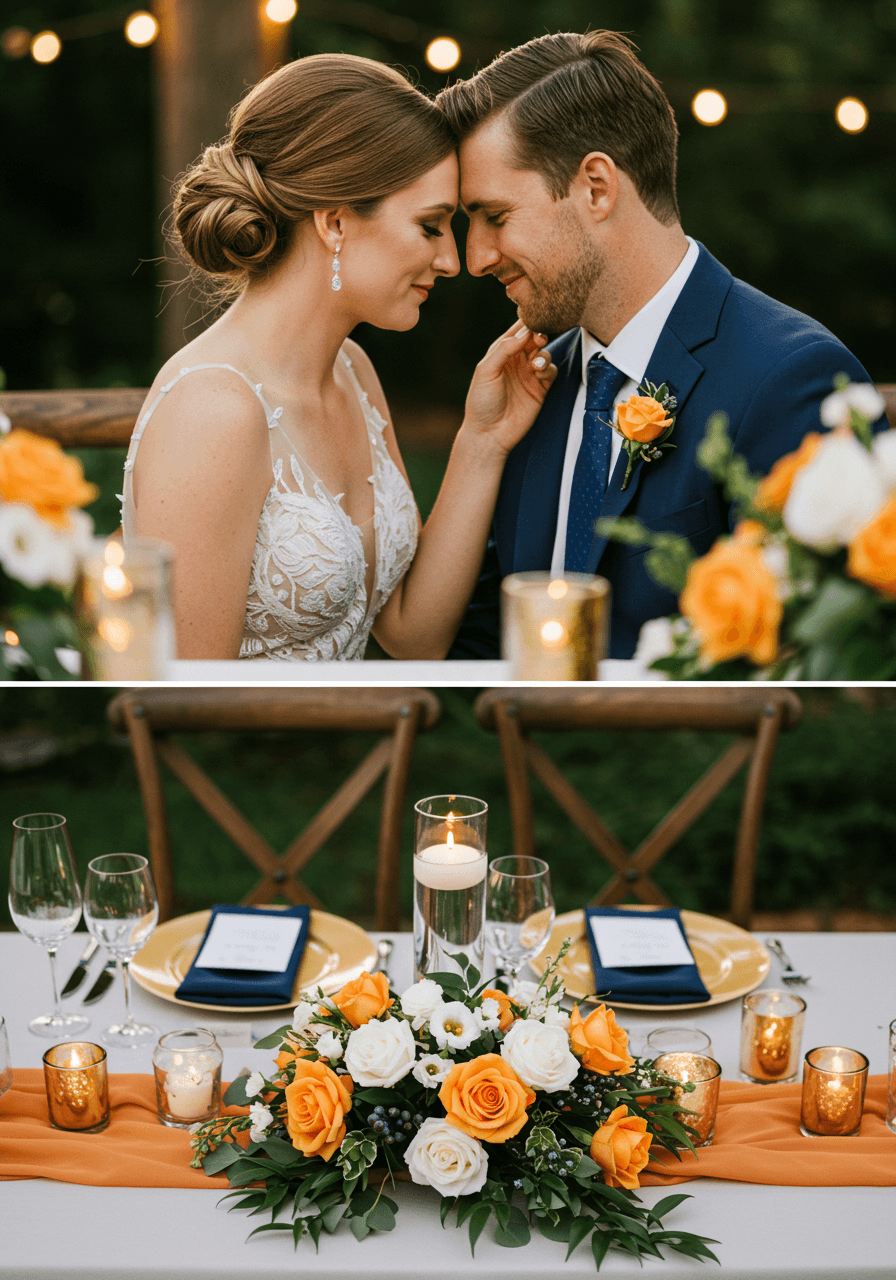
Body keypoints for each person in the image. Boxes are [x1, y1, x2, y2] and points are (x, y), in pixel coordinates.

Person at [438, 31, 887, 661]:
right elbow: (480, 641)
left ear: (596, 186)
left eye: (495, 216)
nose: (476, 257)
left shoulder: (788, 378)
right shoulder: (528, 389)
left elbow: (811, 671)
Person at [122, 54, 554, 661]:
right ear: (334, 222)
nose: (453, 260)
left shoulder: (353, 372)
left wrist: (483, 440)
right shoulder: (213, 411)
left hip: (374, 746)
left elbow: (411, 635)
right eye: (431, 226)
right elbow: (189, 702)